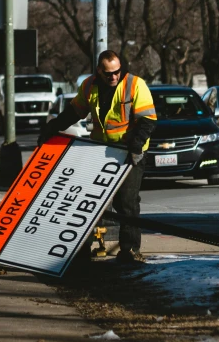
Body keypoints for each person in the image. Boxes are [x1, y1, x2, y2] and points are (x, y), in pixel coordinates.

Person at [38, 50, 157, 264]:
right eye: (108, 73)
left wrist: (136, 145)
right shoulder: (89, 86)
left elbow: (148, 120)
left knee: (127, 203)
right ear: (99, 71)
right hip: (101, 151)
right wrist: (52, 128)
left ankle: (129, 251)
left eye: (117, 72)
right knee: (89, 201)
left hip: (129, 152)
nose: (113, 77)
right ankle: (81, 250)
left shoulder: (135, 85)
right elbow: (74, 112)